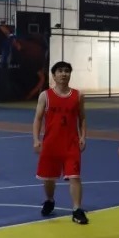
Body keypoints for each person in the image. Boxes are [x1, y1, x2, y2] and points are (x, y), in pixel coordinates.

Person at [33, 61, 88, 224]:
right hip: (51, 144)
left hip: (71, 144)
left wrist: (83, 137)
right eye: (60, 71)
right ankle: (50, 200)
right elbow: (38, 118)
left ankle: (77, 209)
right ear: (54, 75)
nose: (64, 74)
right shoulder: (45, 96)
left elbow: (82, 118)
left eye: (67, 71)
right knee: (48, 179)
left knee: (75, 177)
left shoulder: (78, 95)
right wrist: (36, 139)